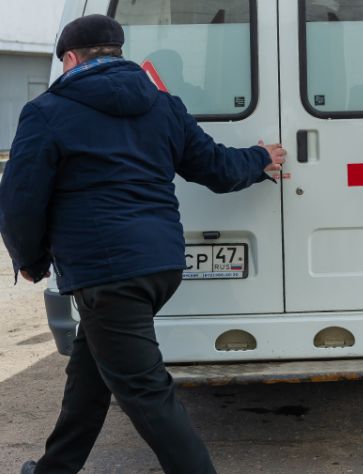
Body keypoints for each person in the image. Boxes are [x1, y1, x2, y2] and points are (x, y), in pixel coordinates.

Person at [0, 14, 286, 474]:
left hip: (107, 273)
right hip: (159, 266)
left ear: (71, 59)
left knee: (148, 395)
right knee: (89, 381)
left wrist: (30, 260)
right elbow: (214, 166)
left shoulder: (47, 112)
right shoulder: (162, 106)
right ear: (117, 52)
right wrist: (259, 158)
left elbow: (20, 199)